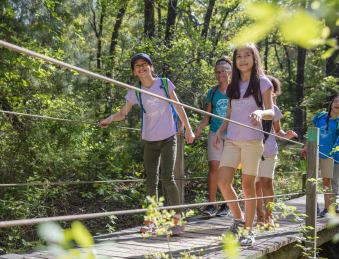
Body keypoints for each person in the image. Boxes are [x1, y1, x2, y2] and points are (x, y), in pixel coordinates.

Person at [100, 53, 195, 234]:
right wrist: (110, 119)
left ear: (151, 67)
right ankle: (151, 220)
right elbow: (122, 113)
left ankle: (177, 219)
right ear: (134, 72)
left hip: (168, 137)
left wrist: (189, 129)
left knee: (167, 178)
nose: (141, 67)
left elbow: (178, 106)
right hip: (150, 140)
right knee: (151, 181)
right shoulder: (134, 92)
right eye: (137, 66)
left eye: (145, 64)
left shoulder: (165, 84)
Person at [213, 43, 275, 246]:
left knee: (248, 186)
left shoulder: (263, 83)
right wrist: (219, 131)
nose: (242, 59)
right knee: (223, 182)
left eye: (247, 55)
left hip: (252, 141)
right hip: (232, 140)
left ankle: (249, 231)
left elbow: (271, 112)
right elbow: (229, 115)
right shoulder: (232, 86)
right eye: (238, 56)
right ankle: (238, 219)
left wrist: (259, 112)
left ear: (254, 58)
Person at [255, 75, 298, 228]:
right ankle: (259, 215)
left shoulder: (275, 110)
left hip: (269, 151)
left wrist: (287, 135)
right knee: (255, 185)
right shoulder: (251, 106)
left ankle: (269, 215)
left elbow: (277, 131)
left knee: (266, 182)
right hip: (252, 151)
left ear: (274, 92)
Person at [194, 57, 232, 217]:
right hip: (214, 132)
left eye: (222, 71)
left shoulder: (237, 90)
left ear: (229, 72)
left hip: (232, 135)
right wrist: (199, 128)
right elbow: (208, 116)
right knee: (214, 166)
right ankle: (211, 205)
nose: (219, 74)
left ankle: (226, 204)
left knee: (227, 168)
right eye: (217, 72)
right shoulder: (213, 92)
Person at [301, 96, 339, 217]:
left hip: (328, 154)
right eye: (335, 102)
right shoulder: (321, 115)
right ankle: (313, 206)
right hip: (314, 152)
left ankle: (327, 209)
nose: (337, 104)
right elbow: (312, 131)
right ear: (331, 104)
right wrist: (306, 146)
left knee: (326, 180)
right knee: (312, 179)